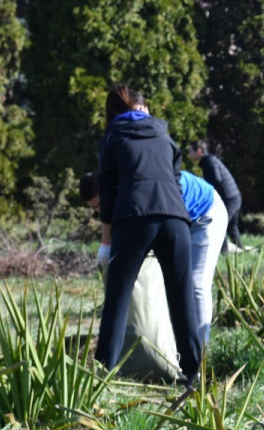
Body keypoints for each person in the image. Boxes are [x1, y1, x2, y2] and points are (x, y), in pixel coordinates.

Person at [95, 84, 201, 384]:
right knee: (182, 300)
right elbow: (176, 180)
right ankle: (193, 377)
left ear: (113, 112)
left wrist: (106, 242)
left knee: (117, 299)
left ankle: (102, 376)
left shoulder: (113, 138)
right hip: (175, 220)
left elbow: (108, 192)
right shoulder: (165, 136)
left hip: (134, 219)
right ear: (143, 108)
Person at [82, 170, 227, 342]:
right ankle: (171, 345)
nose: (100, 212)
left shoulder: (137, 191)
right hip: (176, 217)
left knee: (196, 283)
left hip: (204, 213)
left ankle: (199, 353)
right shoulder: (120, 197)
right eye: (95, 208)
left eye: (100, 205)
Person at [188, 140, 247, 253]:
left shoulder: (209, 162)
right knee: (232, 228)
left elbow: (216, 180)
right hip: (234, 196)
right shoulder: (209, 160)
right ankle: (240, 251)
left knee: (220, 224)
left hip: (229, 198)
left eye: (191, 151)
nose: (189, 154)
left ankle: (224, 252)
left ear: (199, 151)